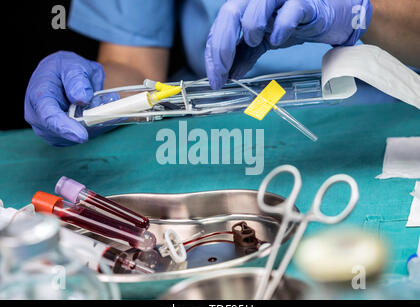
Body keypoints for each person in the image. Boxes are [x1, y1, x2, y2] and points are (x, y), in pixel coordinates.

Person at [24, 0, 420, 146]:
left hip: (394, 119)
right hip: (222, 136)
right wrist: (90, 98)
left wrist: (359, 14)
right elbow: (134, 64)